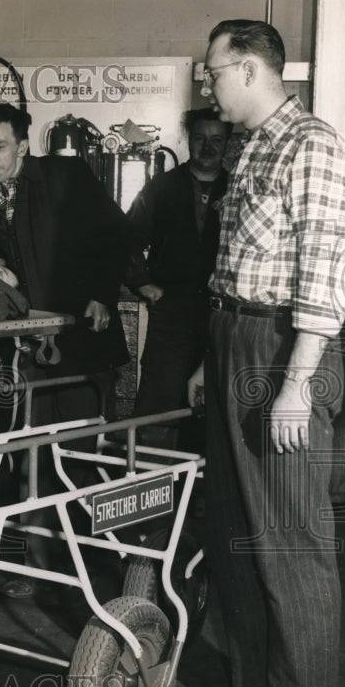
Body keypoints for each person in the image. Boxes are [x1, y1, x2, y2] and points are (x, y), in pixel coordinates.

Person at [187, 19, 345, 687]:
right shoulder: (249, 147)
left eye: (214, 70)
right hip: (234, 339)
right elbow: (236, 266)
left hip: (283, 348)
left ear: (251, 69)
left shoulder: (311, 145)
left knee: (290, 542)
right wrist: (210, 358)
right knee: (235, 531)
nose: (208, 82)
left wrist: (296, 383)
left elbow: (326, 270)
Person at [0, 103, 134, 599]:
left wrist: (103, 294)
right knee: (33, 460)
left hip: (83, 344)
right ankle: (38, 568)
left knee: (81, 459)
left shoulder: (65, 174)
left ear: (23, 145)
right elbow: (21, 268)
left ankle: (97, 571)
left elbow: (117, 233)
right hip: (38, 348)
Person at [123, 107, 231, 450]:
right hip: (171, 314)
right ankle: (150, 493)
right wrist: (141, 282)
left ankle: (199, 499)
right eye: (200, 138)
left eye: (217, 139)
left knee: (212, 411)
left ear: (228, 143)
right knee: (158, 409)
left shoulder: (237, 188)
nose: (208, 147)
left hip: (222, 317)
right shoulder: (164, 186)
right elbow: (125, 238)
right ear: (188, 141)